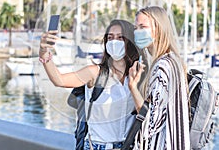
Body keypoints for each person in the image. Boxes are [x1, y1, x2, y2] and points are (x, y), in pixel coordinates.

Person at [39, 19, 142, 150]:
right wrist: (44, 52)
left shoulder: (137, 77)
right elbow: (59, 80)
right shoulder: (95, 72)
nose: (114, 42)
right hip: (97, 146)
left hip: (129, 147)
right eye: (110, 38)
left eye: (120, 37)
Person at [128, 6, 190, 149]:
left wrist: (132, 87)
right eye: (136, 28)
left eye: (143, 27)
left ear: (159, 29)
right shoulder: (173, 61)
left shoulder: (163, 66)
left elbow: (152, 122)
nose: (137, 32)